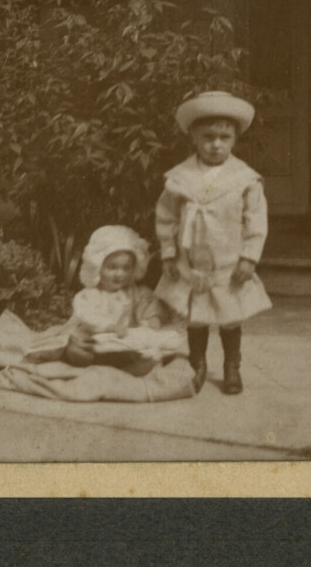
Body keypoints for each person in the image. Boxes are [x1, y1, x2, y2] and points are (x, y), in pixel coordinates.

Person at [155, 91, 272, 394]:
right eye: (208, 137)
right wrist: (168, 253)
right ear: (194, 137)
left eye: (224, 137)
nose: (216, 144)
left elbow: (256, 222)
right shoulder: (180, 178)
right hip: (191, 262)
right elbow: (166, 217)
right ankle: (197, 364)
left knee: (230, 317)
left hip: (227, 263)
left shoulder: (244, 179)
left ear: (234, 139)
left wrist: (249, 257)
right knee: (196, 317)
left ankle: (232, 366)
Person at [62, 225, 167, 376]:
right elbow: (87, 315)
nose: (119, 274)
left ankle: (125, 369)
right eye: (112, 267)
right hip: (95, 341)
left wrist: (153, 319)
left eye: (126, 268)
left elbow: (149, 305)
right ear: (98, 267)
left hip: (123, 344)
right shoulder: (90, 295)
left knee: (151, 353)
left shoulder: (136, 293)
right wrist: (109, 327)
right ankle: (97, 366)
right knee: (77, 350)